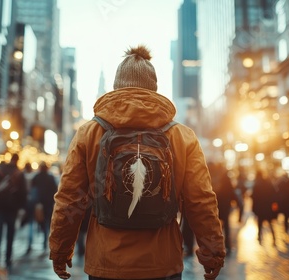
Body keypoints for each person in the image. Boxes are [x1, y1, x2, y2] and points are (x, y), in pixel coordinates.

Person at [49, 45, 226, 280]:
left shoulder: (89, 133)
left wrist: (60, 249)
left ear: (116, 87)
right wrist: (212, 251)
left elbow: (70, 198)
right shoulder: (182, 136)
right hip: (162, 264)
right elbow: (201, 200)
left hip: (106, 262)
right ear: (153, 88)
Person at [0, 154, 27, 270]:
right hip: (12, 209)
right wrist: (21, 207)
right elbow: (23, 193)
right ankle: (8, 258)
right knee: (10, 234)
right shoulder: (19, 174)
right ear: (18, 160)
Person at [210, 162, 241, 254]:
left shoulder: (216, 178)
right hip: (225, 206)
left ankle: (217, 245)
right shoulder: (225, 179)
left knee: (218, 227)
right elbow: (232, 192)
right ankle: (226, 245)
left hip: (218, 206)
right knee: (225, 226)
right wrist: (237, 203)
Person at [30, 162, 58, 252]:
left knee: (40, 222)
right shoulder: (50, 178)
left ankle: (41, 238)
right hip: (48, 204)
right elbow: (55, 190)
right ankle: (45, 240)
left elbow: (32, 190)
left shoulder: (36, 177)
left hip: (39, 204)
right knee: (47, 222)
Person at [251, 169, 278, 245]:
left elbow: (254, 197)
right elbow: (274, 194)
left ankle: (260, 237)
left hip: (260, 208)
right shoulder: (268, 183)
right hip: (268, 207)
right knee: (270, 223)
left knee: (260, 223)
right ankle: (274, 238)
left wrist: (254, 209)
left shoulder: (257, 184)